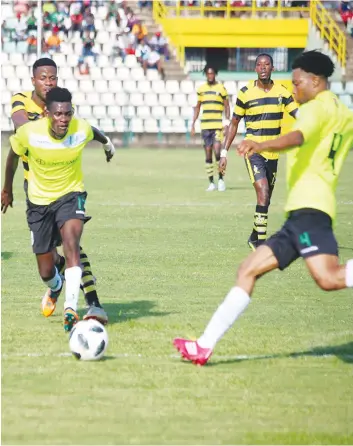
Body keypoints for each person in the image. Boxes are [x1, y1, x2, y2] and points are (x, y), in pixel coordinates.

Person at [173, 50, 353, 366]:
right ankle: (203, 346)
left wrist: (261, 143)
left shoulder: (315, 108)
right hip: (306, 212)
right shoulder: (344, 114)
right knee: (248, 269)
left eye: (297, 83)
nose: (294, 89)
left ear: (315, 80)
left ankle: (204, 344)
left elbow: (297, 135)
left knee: (329, 278)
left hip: (310, 211)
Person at [2, 87, 116, 332]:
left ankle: (71, 308)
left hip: (71, 195)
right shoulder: (29, 134)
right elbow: (12, 155)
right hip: (39, 202)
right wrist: (7, 189)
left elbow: (94, 132)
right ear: (47, 113)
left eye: (67, 113)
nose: (63, 119)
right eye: (58, 114)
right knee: (46, 269)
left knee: (71, 241)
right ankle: (55, 286)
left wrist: (108, 145)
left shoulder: (79, 128)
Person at [219, 54, 298, 249]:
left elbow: (298, 114)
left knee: (266, 198)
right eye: (259, 65)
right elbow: (234, 122)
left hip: (273, 153)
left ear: (273, 68)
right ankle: (261, 245)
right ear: (255, 69)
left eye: (267, 64)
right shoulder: (246, 93)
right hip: (252, 151)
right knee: (262, 191)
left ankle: (255, 236)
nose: (263, 67)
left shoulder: (283, 91)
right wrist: (223, 153)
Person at [192, 65, 230, 192]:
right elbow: (197, 107)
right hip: (205, 126)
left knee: (218, 151)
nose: (210, 76)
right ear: (206, 75)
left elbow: (227, 106)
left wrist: (227, 122)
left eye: (212, 73)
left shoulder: (221, 88)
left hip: (217, 126)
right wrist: (193, 123)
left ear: (215, 74)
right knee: (208, 154)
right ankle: (211, 182)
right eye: (208, 74)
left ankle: (220, 180)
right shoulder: (201, 89)